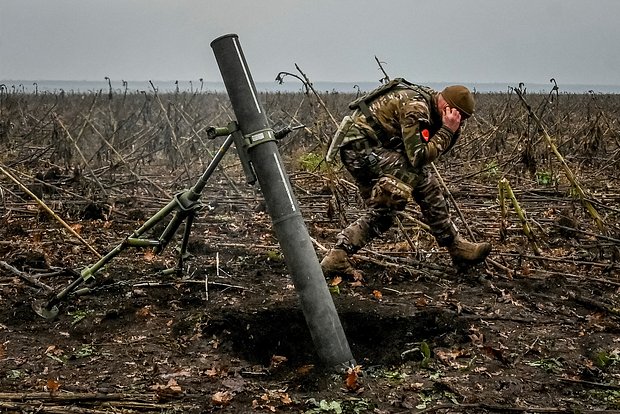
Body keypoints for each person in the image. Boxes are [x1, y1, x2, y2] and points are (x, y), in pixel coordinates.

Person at [321, 79, 491, 278]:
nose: (458, 122)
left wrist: (450, 130)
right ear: (446, 106)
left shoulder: (431, 103)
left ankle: (337, 257)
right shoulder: (417, 108)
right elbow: (418, 156)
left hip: (370, 148)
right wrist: (447, 130)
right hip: (360, 149)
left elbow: (430, 150)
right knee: (422, 179)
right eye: (458, 117)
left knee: (384, 214)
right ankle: (455, 246)